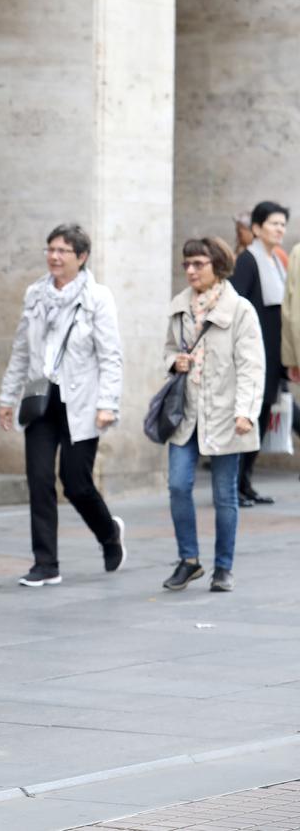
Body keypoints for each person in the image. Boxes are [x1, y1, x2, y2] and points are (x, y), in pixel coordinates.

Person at [0, 223, 125, 588]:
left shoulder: (98, 298)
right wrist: (8, 397)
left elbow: (110, 356)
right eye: (50, 250)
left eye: (62, 251)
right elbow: (21, 349)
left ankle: (108, 533)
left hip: (82, 401)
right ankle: (45, 563)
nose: (54, 257)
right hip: (41, 397)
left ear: (81, 257)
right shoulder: (35, 294)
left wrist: (108, 404)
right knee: (38, 480)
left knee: (76, 483)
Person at [163, 237, 264, 593]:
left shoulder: (240, 311)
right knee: (177, 485)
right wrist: (174, 362)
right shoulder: (179, 308)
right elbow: (168, 351)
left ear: (217, 266)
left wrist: (246, 413)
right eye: (186, 264)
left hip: (226, 415)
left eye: (198, 264)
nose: (191, 270)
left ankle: (223, 568)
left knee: (225, 495)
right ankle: (188, 560)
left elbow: (252, 367)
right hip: (186, 415)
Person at [230, 201, 289, 506]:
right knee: (247, 419)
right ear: (256, 228)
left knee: (262, 419)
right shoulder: (247, 261)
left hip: (273, 354)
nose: (280, 229)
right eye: (274, 223)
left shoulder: (277, 261)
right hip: (253, 354)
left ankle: (245, 483)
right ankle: (232, 486)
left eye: (283, 224)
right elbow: (236, 305)